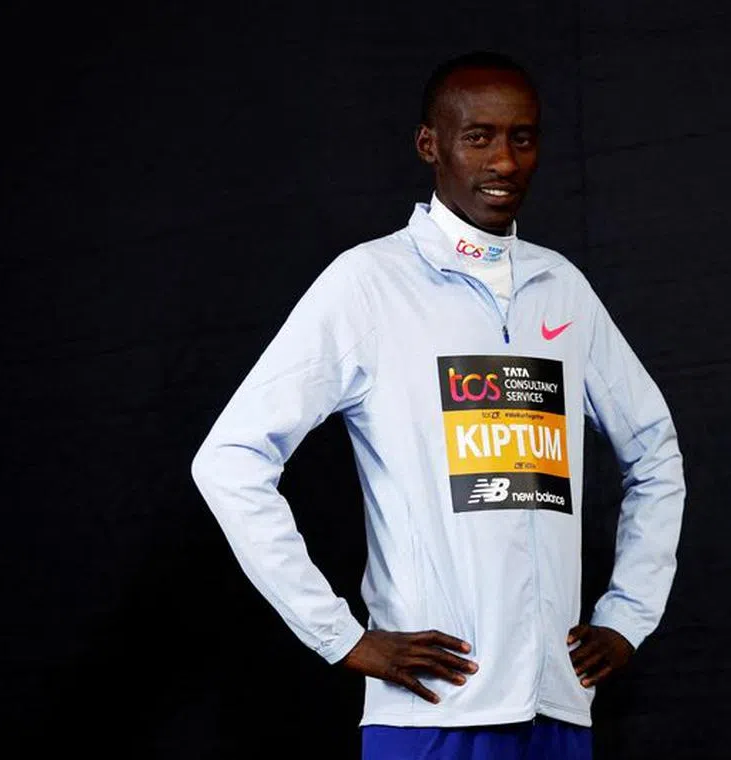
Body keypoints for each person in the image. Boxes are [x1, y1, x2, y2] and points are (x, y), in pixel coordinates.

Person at [190, 50, 685, 759]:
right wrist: (340, 636)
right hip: (431, 710)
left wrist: (629, 616)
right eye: (478, 136)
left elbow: (655, 451)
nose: (505, 162)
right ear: (431, 145)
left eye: (523, 137)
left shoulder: (561, 287)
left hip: (558, 705)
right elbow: (230, 460)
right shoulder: (368, 283)